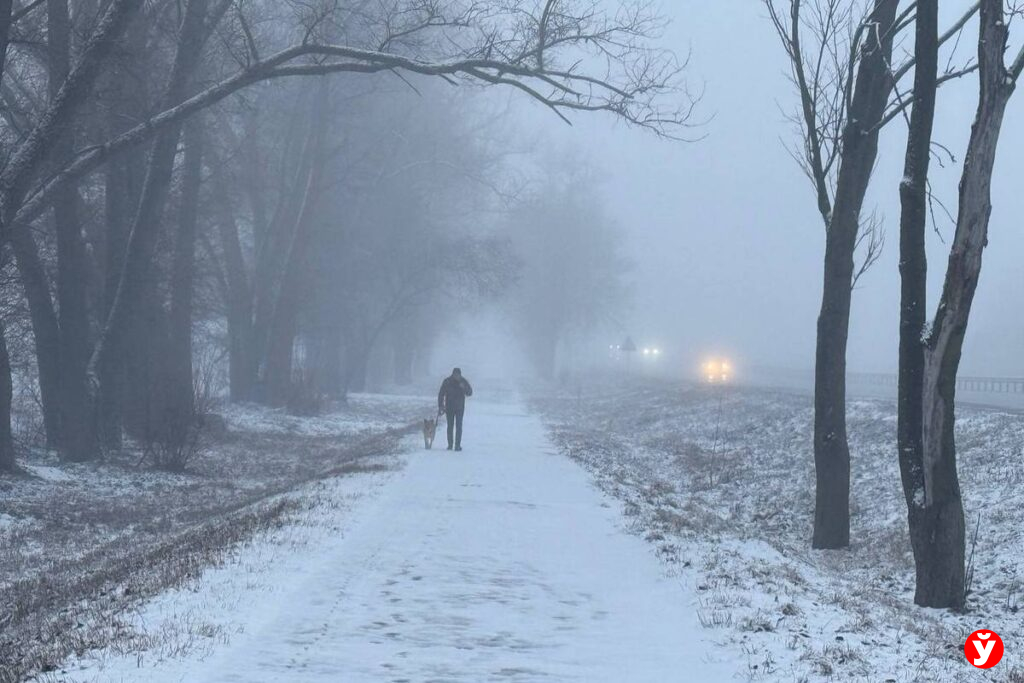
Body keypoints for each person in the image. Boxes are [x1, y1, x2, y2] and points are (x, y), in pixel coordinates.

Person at [437, 368, 473, 451]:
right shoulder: (447, 381)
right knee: (450, 426)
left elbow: (470, 393)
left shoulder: (463, 381)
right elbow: (441, 394)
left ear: (460, 375)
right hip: (449, 407)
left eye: (458, 375)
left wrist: (464, 388)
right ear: (453, 374)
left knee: (459, 426)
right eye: (455, 375)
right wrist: (440, 405)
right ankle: (450, 445)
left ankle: (457, 445)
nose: (457, 376)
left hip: (460, 408)